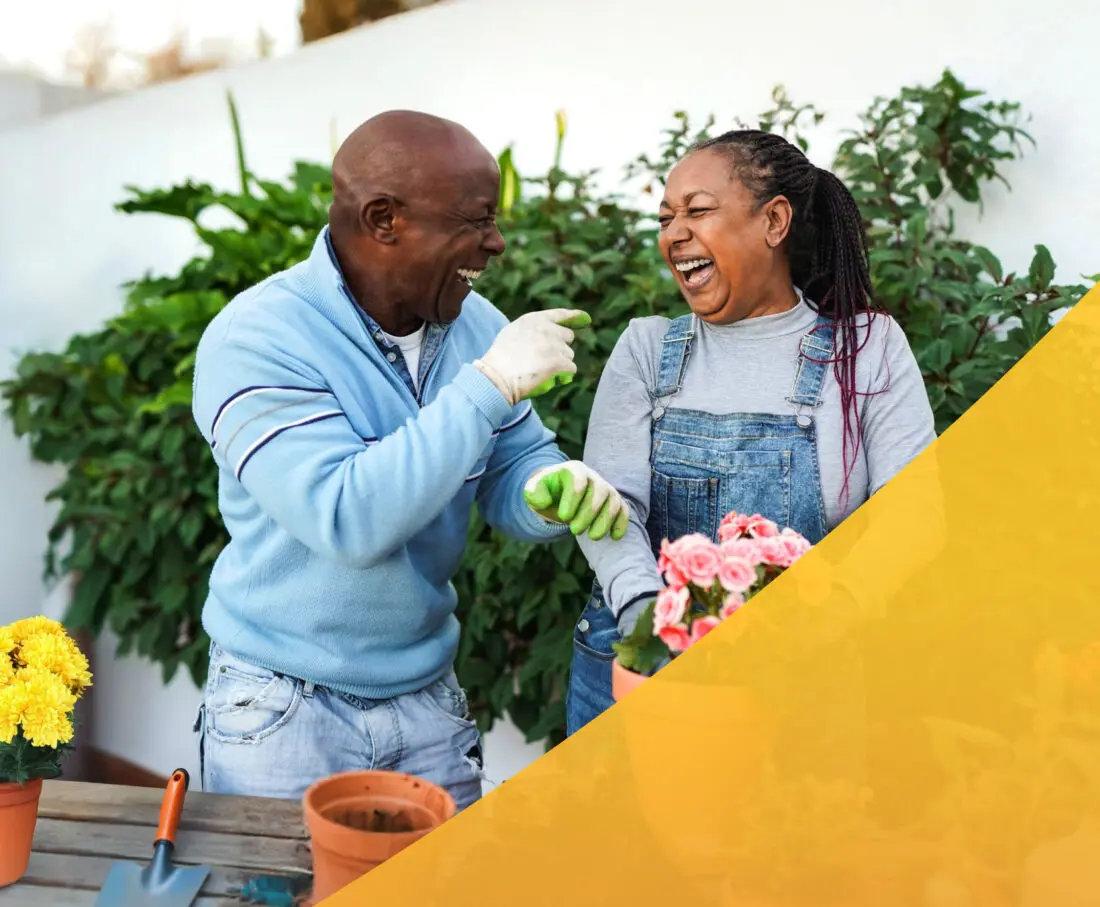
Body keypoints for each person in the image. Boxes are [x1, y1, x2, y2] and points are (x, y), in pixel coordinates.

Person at [189, 110, 629, 809]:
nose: (496, 241)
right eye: (474, 219)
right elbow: (347, 519)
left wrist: (549, 485)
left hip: (428, 700)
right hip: (284, 710)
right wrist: (487, 385)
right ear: (384, 219)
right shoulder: (257, 338)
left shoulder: (472, 324)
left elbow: (512, 464)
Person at [565, 129, 939, 735]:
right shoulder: (646, 350)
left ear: (774, 221)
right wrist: (653, 624)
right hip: (638, 671)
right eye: (665, 217)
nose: (674, 233)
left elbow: (913, 518)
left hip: (804, 680)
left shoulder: (865, 349)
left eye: (698, 210)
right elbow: (612, 508)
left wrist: (813, 622)